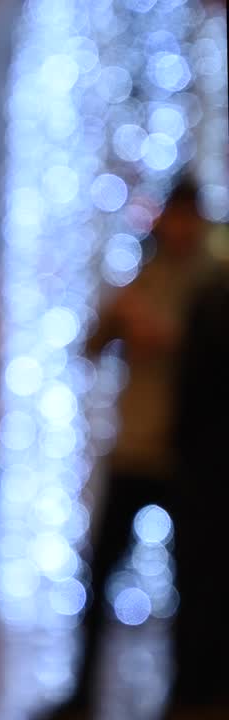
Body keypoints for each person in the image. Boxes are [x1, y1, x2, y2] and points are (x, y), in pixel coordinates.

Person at [42, 180, 214, 720]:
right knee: (99, 576)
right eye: (174, 217)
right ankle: (82, 691)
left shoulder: (211, 284)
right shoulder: (143, 277)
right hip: (134, 452)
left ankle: (187, 694)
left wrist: (173, 340)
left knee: (192, 582)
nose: (180, 227)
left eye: (189, 217)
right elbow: (89, 347)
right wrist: (117, 323)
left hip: (185, 457)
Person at [167, 257, 229, 718]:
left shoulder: (209, 289)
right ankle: (194, 687)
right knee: (196, 578)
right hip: (192, 461)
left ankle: (196, 688)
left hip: (197, 461)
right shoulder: (208, 291)